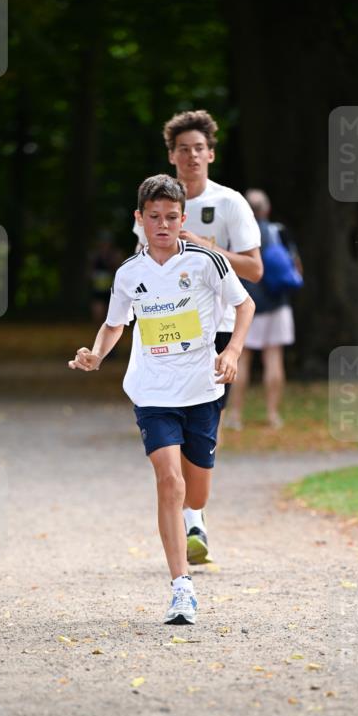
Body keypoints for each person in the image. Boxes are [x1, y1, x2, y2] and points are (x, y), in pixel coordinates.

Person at [69, 174, 255, 625]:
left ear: (182, 218)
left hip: (201, 390)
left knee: (197, 492)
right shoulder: (130, 273)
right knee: (168, 481)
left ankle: (195, 519)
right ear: (140, 219)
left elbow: (244, 304)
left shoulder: (208, 262)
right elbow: (116, 323)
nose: (163, 225)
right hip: (153, 390)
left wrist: (231, 351)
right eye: (153, 217)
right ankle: (181, 587)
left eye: (171, 217)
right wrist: (97, 353)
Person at [133, 109, 263, 565]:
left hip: (220, 324)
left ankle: (194, 508)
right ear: (171, 155)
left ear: (211, 153)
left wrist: (208, 249)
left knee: (203, 422)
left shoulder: (230, 204)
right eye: (182, 148)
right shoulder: (155, 205)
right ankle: (190, 518)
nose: (191, 155)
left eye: (199, 148)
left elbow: (255, 270)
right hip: (169, 325)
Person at [228, 189, 303, 431]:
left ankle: (236, 416)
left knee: (242, 360)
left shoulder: (236, 236)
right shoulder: (278, 231)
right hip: (278, 303)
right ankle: (272, 415)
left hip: (247, 306)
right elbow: (296, 266)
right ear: (266, 209)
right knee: (274, 358)